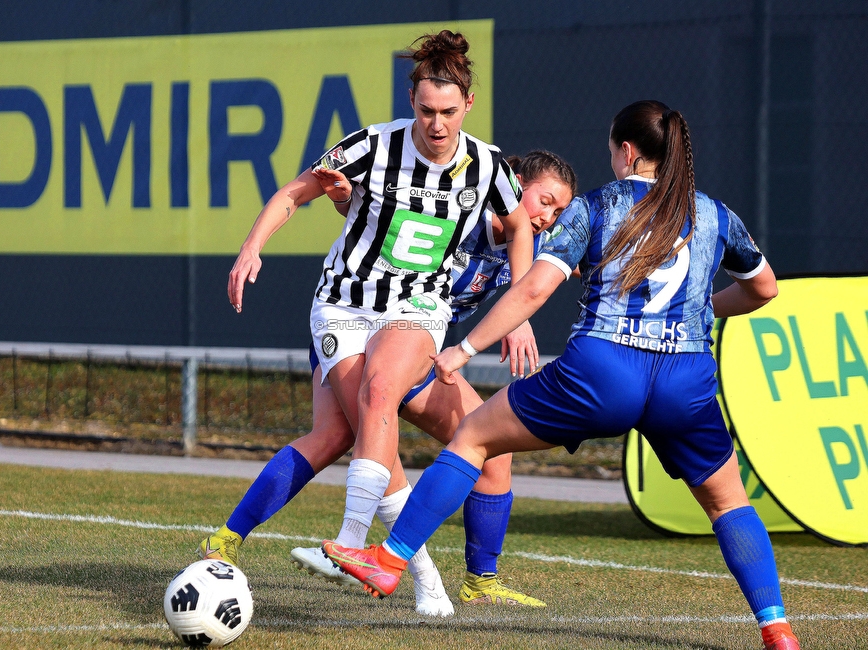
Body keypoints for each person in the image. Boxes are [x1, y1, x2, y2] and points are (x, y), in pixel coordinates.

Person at [324, 100, 800, 650]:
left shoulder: (598, 204)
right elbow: (764, 289)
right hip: (684, 378)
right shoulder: (716, 214)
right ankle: (776, 627)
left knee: (474, 436)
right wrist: (696, 310)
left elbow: (533, 288)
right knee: (728, 503)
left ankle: (389, 561)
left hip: (603, 369)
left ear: (625, 151)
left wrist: (464, 348)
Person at [214, 29, 536, 615]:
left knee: (380, 392)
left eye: (448, 112)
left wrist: (519, 310)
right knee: (360, 425)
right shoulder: (371, 145)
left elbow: (519, 228)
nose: (436, 125)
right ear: (410, 101)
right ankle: (426, 581)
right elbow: (296, 192)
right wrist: (250, 247)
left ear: (468, 105)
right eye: (425, 110)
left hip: (417, 307)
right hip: (343, 302)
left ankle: (355, 544)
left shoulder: (487, 165)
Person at [200, 151, 577, 614]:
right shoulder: (459, 203)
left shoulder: (535, 244)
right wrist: (344, 200)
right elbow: (378, 215)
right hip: (359, 324)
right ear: (514, 185)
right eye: (544, 201)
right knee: (345, 434)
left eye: (559, 211)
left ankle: (480, 580)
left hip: (419, 347)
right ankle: (233, 540)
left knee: (494, 449)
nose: (547, 217)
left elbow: (579, 260)